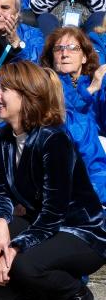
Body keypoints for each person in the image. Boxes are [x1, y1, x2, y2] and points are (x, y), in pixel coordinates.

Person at [0, 60, 106, 300]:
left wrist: (15, 248)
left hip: (81, 231)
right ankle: (35, 297)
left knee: (23, 264)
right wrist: (0, 222)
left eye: (4, 89)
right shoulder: (3, 136)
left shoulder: (53, 139)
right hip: (42, 224)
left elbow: (54, 213)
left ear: (26, 96)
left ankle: (76, 294)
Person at [39, 26, 106, 204]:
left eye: (72, 48)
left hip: (97, 151)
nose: (64, 53)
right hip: (68, 154)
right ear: (51, 57)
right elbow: (63, 115)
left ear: (84, 57)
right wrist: (90, 90)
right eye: (58, 48)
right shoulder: (45, 84)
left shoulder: (97, 81)